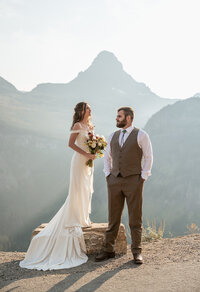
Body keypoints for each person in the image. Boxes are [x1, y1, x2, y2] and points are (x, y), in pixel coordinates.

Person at [19, 102, 95, 270]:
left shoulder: (89, 125)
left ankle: (83, 217)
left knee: (85, 188)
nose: (90, 109)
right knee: (77, 188)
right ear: (82, 111)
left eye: (90, 108)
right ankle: (76, 216)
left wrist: (94, 151)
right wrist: (87, 153)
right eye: (88, 108)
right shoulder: (77, 125)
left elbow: (91, 142)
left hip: (88, 161)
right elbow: (71, 144)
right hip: (79, 160)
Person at [95, 107, 153, 264]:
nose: (116, 119)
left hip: (134, 180)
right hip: (114, 181)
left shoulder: (141, 135)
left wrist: (143, 177)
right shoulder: (112, 135)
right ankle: (108, 250)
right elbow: (107, 157)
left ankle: (136, 251)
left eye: (119, 116)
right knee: (113, 217)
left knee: (135, 217)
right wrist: (108, 175)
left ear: (128, 118)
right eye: (117, 116)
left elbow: (148, 156)